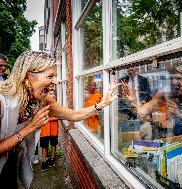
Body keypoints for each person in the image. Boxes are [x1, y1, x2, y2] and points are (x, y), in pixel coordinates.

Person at [0, 51, 121, 188]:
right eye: (50, 76)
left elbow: (74, 115)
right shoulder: (1, 101)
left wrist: (101, 105)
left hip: (12, 161)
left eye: (56, 76)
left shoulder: (43, 100)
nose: (55, 81)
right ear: (28, 76)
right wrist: (30, 128)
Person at [123, 64, 182, 137]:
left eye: (178, 78)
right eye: (171, 78)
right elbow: (142, 112)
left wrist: (179, 114)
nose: (174, 82)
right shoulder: (163, 94)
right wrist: (132, 102)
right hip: (174, 143)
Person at [40, 90, 59, 171]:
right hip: (44, 130)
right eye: (50, 94)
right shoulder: (42, 105)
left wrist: (48, 119)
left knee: (53, 144)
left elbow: (59, 117)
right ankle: (44, 161)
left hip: (53, 129)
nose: (52, 95)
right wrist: (49, 119)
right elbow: (41, 117)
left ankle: (52, 158)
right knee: (44, 146)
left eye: (53, 94)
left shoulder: (57, 106)